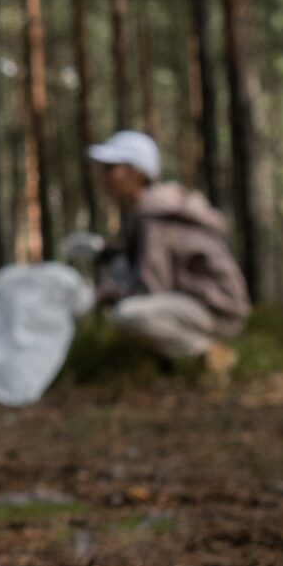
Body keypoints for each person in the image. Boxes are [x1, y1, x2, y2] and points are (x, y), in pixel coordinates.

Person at [84, 130, 250, 379]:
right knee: (127, 296)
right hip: (208, 303)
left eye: (112, 168)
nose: (105, 176)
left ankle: (207, 354)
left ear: (136, 173)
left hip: (218, 308)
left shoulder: (154, 216)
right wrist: (106, 252)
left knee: (129, 314)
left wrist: (108, 295)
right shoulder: (154, 209)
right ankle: (174, 369)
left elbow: (152, 287)